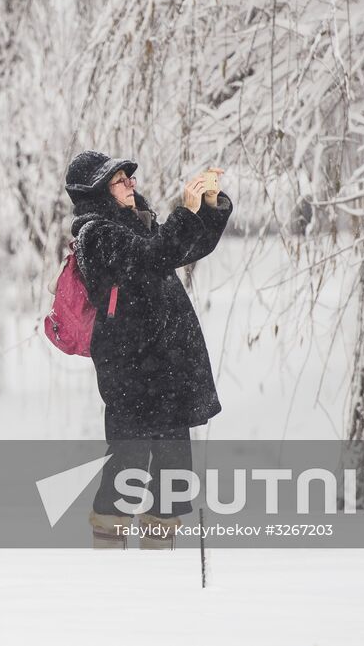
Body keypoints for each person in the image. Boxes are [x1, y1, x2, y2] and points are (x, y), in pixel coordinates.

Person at [63, 150, 232, 550]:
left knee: (173, 467)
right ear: (96, 192)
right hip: (131, 370)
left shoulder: (139, 222)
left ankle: (161, 565)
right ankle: (108, 555)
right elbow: (153, 256)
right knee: (129, 463)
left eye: (129, 178)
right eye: (120, 180)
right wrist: (185, 212)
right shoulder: (96, 235)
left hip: (167, 366)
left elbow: (182, 249)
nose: (131, 184)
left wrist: (207, 208)